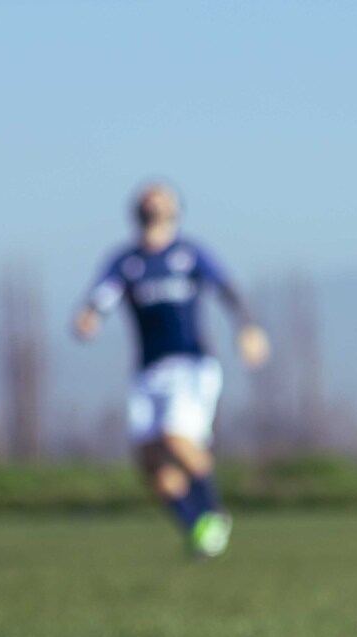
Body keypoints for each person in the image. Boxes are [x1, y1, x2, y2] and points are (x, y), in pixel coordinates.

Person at [74, 182, 268, 557]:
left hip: (191, 364)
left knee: (175, 437)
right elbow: (100, 297)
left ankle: (215, 513)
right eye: (147, 197)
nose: (153, 201)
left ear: (174, 208)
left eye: (160, 196)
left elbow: (228, 290)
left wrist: (248, 328)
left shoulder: (189, 255)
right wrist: (88, 317)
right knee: (151, 460)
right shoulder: (126, 262)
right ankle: (198, 529)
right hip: (149, 371)